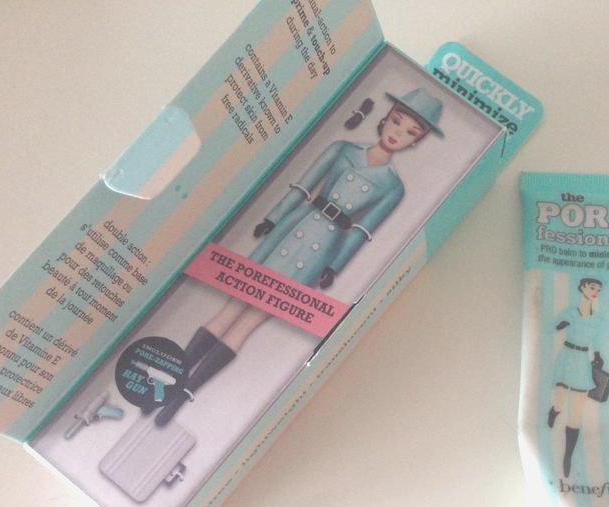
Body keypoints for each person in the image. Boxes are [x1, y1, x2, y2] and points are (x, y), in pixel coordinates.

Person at [154, 88, 445, 427]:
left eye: (411, 131)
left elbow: (362, 230)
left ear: (417, 140)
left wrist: (335, 265)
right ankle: (170, 383)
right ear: (387, 116)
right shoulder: (342, 148)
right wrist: (274, 218)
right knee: (231, 307)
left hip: (324, 246)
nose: (397, 133)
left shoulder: (394, 187)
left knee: (250, 322)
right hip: (295, 226)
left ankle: (185, 393)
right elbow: (304, 186)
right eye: (397, 121)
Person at [547, 277, 607, 477]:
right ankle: (554, 411)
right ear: (582, 288)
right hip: (566, 357)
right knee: (559, 399)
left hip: (582, 361)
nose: (595, 291)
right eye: (592, 287)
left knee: (576, 413)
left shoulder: (597, 319)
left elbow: (597, 340)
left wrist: (598, 356)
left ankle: (567, 457)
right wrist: (560, 325)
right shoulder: (570, 312)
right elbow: (551, 327)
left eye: (598, 289)